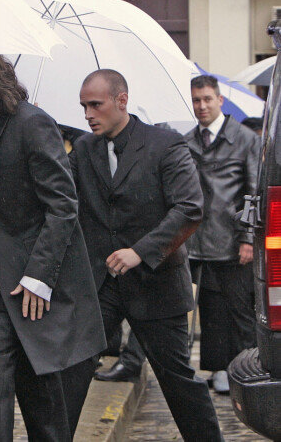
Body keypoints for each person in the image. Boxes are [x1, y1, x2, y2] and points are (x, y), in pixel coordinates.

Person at [0, 55, 106, 442]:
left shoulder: (32, 123)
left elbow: (63, 206)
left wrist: (38, 277)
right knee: (36, 385)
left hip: (28, 282)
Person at [69, 69, 224, 441]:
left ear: (121, 100)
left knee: (177, 379)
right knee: (70, 373)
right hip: (101, 284)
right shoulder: (84, 149)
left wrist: (141, 251)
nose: (88, 114)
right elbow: (63, 200)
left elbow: (189, 208)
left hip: (156, 282)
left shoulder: (165, 144)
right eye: (83, 107)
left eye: (96, 105)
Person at [185, 75, 260, 394]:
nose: (202, 106)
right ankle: (218, 369)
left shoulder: (244, 138)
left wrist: (247, 237)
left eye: (207, 99)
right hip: (199, 242)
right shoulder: (187, 140)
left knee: (241, 311)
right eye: (196, 100)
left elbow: (253, 190)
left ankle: (246, 369)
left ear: (220, 101)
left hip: (232, 241)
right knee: (211, 311)